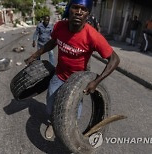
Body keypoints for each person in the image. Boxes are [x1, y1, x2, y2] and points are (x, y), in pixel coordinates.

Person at [25, 0, 120, 139]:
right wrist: (35, 55)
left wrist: (96, 81)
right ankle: (53, 123)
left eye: (83, 9)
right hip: (59, 75)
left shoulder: (93, 36)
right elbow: (52, 42)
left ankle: (70, 128)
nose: (79, 12)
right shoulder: (59, 26)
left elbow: (115, 59)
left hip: (77, 81)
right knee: (51, 105)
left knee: (74, 109)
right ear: (70, 9)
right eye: (75, 7)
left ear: (87, 14)